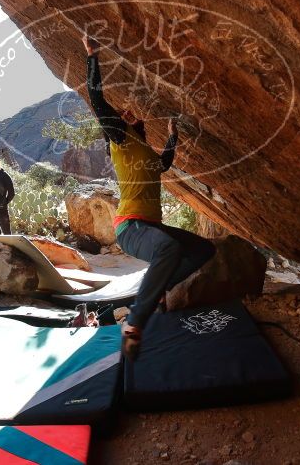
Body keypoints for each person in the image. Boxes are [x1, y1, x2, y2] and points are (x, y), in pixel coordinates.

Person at [83, 35, 216, 360]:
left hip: (150, 228)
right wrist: (92, 56)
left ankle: (156, 293)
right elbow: (98, 101)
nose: (130, 112)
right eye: (125, 113)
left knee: (202, 249)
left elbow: (165, 162)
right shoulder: (121, 141)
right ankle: (136, 321)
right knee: (169, 248)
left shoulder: (146, 153)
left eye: (132, 113)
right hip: (130, 228)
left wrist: (172, 136)